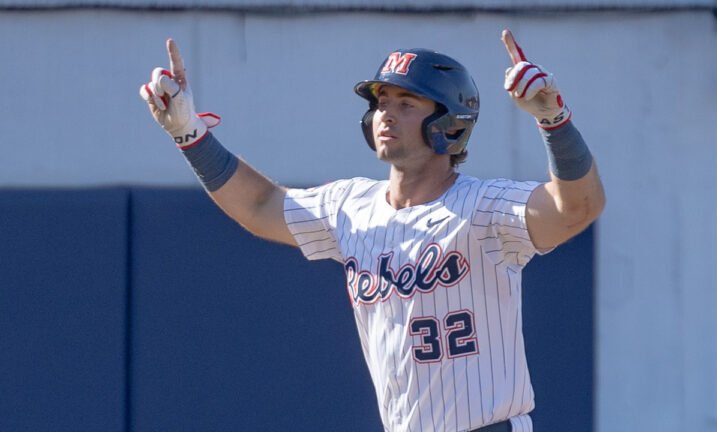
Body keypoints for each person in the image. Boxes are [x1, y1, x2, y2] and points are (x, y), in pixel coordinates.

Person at [139, 29, 605, 432]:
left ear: (448, 122)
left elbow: (578, 208)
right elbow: (260, 206)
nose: (386, 113)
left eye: (406, 102)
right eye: (382, 102)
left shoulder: (484, 207)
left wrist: (554, 120)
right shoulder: (351, 205)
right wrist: (189, 134)